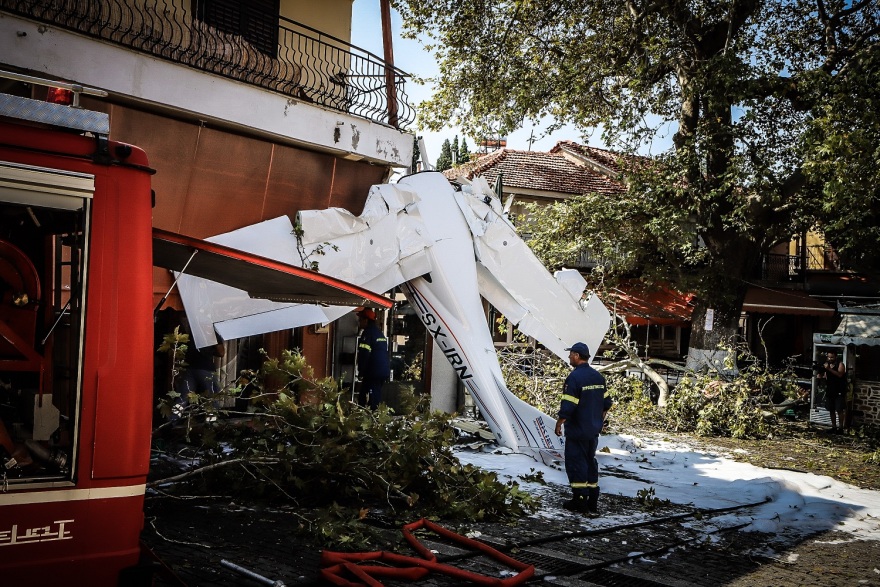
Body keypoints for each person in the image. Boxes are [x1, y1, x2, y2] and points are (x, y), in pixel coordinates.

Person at [554, 342, 612, 515]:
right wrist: (597, 420)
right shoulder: (597, 377)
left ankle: (580, 502)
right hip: (593, 431)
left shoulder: (574, 378)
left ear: (577, 356)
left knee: (576, 464)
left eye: (571, 354)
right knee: (589, 462)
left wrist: (559, 422)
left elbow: (569, 405)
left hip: (578, 430)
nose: (569, 357)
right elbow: (607, 403)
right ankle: (592, 501)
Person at [356, 308, 390, 409]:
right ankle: (369, 415)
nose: (359, 322)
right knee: (370, 393)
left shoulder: (367, 333)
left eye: (360, 319)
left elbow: (364, 354)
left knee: (371, 397)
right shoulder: (379, 333)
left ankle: (372, 418)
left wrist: (361, 372)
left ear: (366, 320)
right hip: (382, 370)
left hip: (373, 371)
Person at [817, 349, 847, 433]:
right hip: (830, 390)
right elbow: (824, 375)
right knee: (831, 409)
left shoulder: (840, 364)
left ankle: (841, 428)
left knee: (839, 409)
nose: (830, 359)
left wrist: (829, 369)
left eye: (832, 357)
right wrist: (820, 375)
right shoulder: (827, 365)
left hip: (839, 390)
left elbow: (840, 374)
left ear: (836, 357)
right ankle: (833, 426)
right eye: (828, 357)